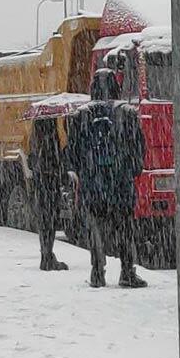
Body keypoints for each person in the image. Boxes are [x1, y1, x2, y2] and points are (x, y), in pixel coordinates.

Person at [68, 69, 147, 289]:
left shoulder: (81, 114)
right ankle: (127, 271)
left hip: (93, 184)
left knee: (96, 227)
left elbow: (73, 152)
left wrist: (85, 171)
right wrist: (131, 170)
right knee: (125, 227)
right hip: (120, 182)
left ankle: (97, 271)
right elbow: (139, 147)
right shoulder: (128, 112)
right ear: (116, 87)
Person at [29, 118, 69, 271]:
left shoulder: (36, 141)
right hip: (51, 185)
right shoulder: (51, 139)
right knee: (50, 221)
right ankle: (47, 256)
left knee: (44, 221)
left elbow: (33, 162)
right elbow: (56, 163)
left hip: (41, 186)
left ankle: (45, 255)